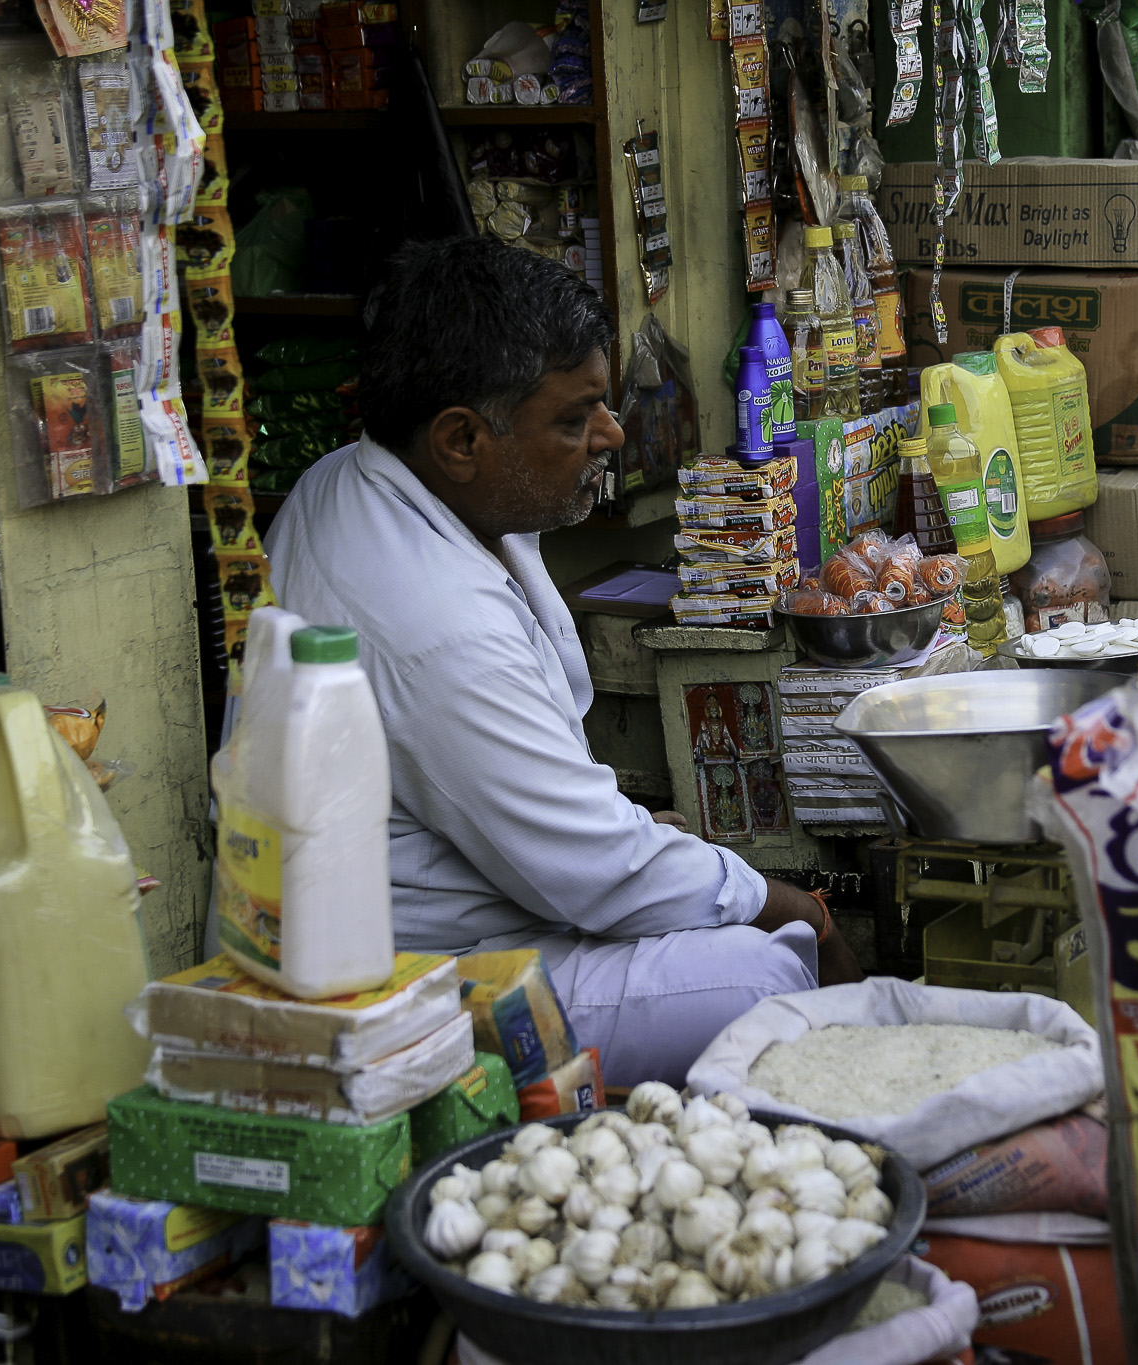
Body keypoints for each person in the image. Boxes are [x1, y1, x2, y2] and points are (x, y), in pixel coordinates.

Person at [264, 237, 861, 1087]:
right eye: (575, 420)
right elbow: (595, 874)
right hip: (416, 979)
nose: (613, 435)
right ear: (461, 440)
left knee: (697, 876)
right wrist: (803, 910)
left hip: (465, 896)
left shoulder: (347, 482)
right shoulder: (438, 624)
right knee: (765, 973)